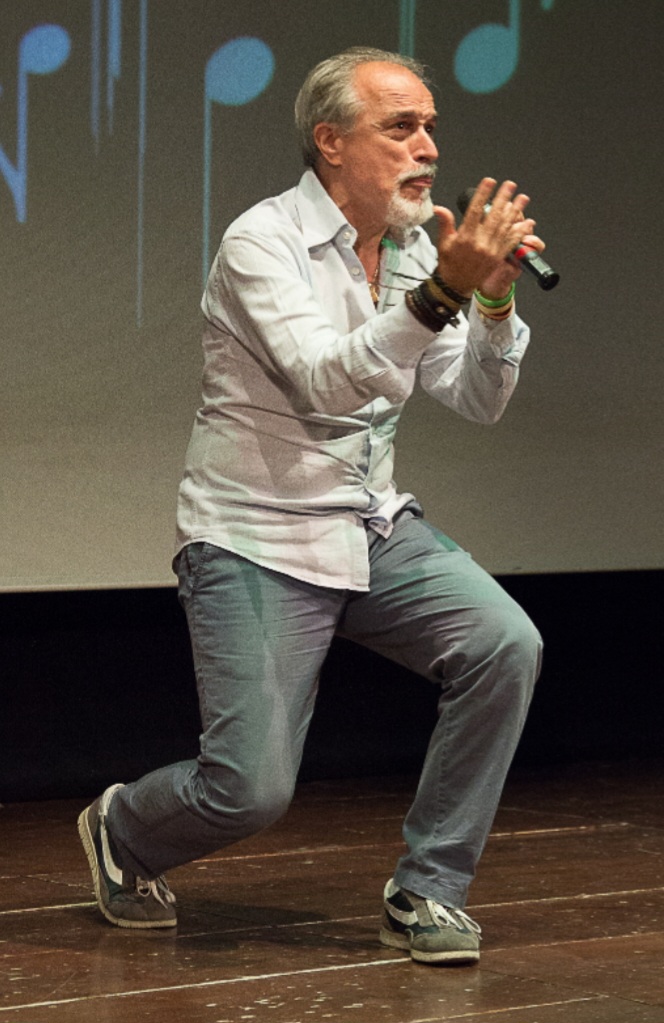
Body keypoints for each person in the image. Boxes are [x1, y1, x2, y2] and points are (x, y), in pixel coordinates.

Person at [78, 46, 544, 966]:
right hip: (256, 534)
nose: (428, 147)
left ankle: (429, 886)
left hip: (370, 525)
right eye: (401, 127)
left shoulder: (413, 247)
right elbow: (325, 380)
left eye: (431, 127)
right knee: (248, 791)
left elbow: (477, 397)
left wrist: (491, 303)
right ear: (331, 142)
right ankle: (123, 827)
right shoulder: (261, 241)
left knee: (505, 644)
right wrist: (444, 291)